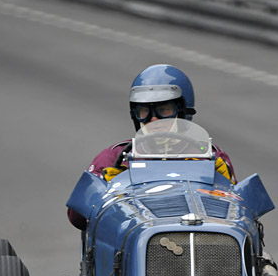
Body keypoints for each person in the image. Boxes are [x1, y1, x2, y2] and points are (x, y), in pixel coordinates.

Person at [67, 64, 236, 230]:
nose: (154, 120)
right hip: (133, 248)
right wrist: (106, 190)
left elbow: (236, 214)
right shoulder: (114, 158)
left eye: (164, 110)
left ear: (183, 111)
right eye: (144, 111)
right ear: (135, 116)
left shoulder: (209, 156)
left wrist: (224, 185)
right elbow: (77, 218)